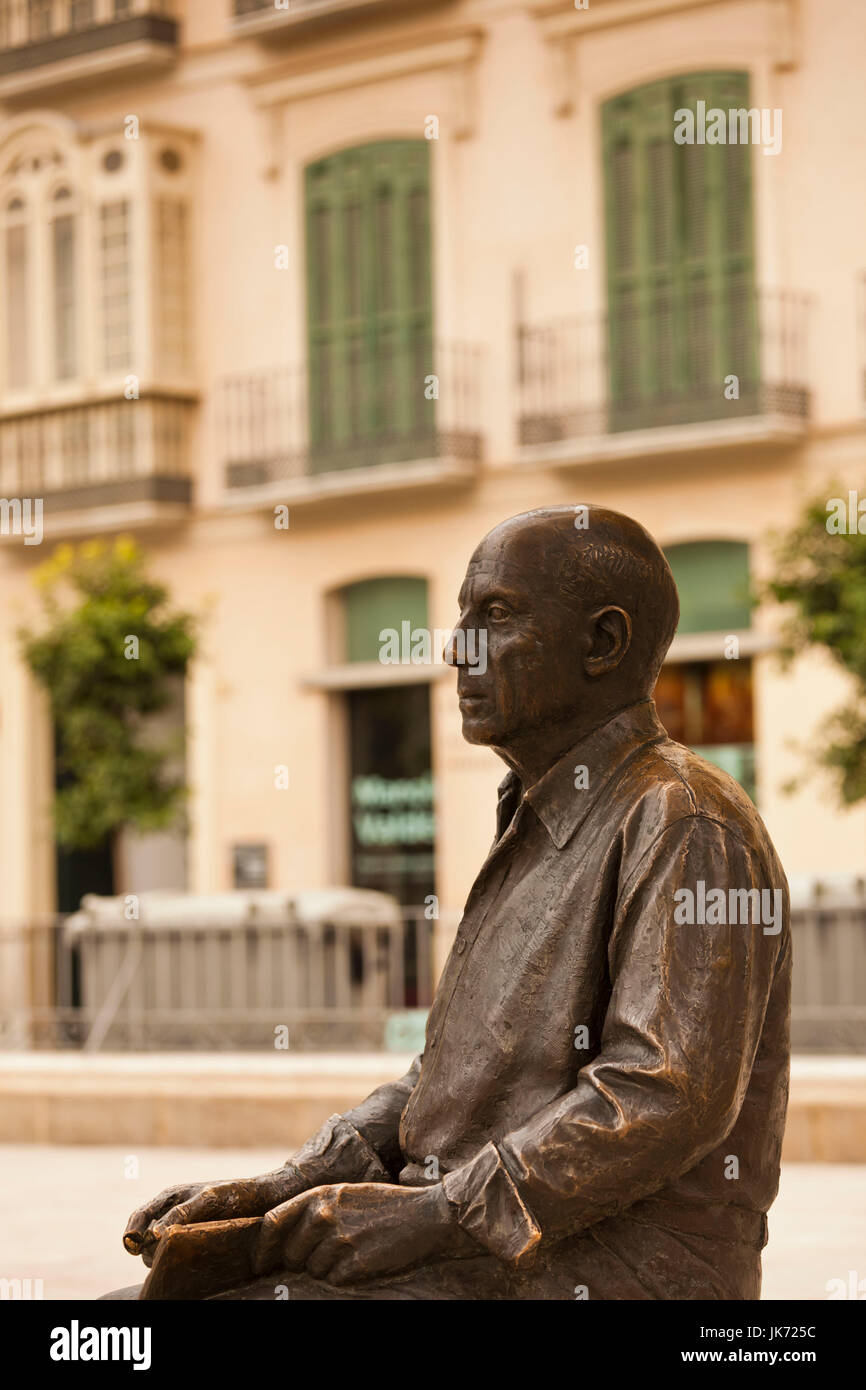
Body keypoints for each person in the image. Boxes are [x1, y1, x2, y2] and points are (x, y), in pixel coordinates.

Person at [110, 505, 790, 1300]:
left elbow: (662, 1095)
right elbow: (443, 1080)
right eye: (462, 614)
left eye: (495, 615)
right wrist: (287, 1185)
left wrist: (433, 1217)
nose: (453, 647)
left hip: (616, 1272)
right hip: (485, 1250)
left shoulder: (684, 819)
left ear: (603, 643)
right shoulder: (537, 815)